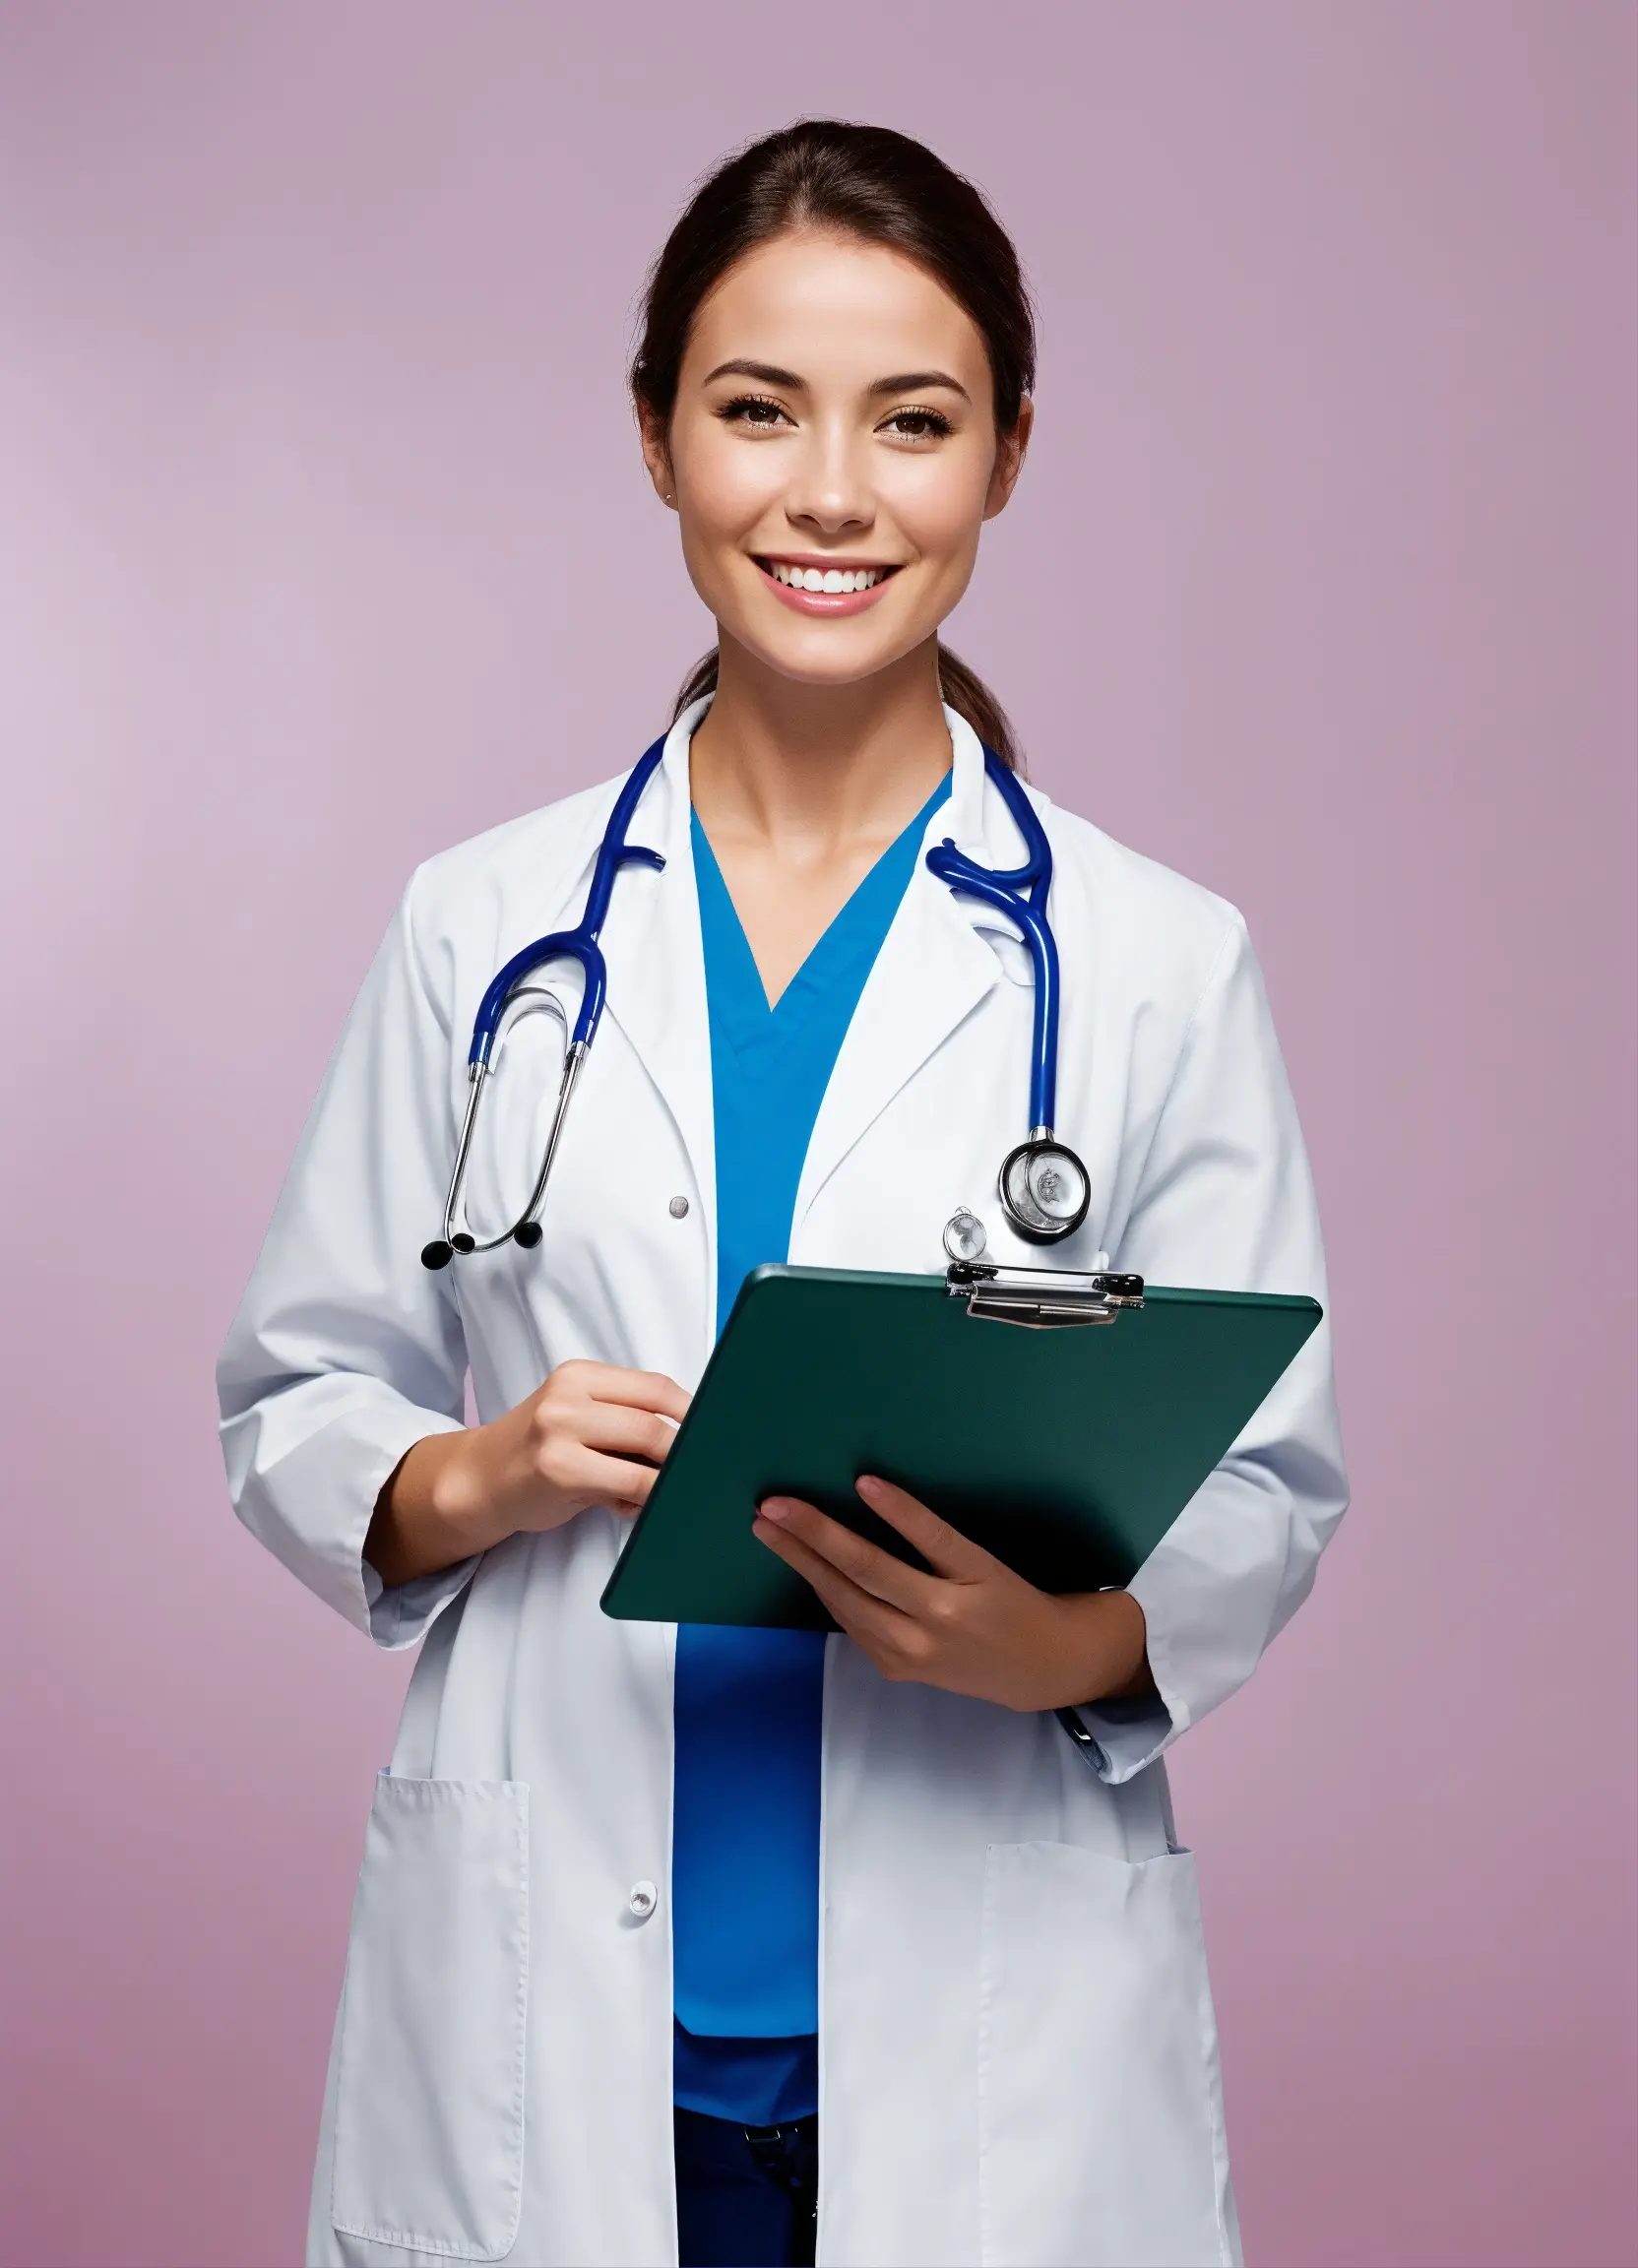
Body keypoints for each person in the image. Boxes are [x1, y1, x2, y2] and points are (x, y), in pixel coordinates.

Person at [218, 119, 1348, 2268]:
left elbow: (1263, 1477)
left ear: (1008, 452)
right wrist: (474, 1474)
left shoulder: (1147, 957)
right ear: (654, 438)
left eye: (911, 422)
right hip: (555, 2054)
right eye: (756, 411)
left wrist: (1076, 1644)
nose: (831, 491)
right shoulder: (486, 925)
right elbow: (297, 1394)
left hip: (992, 2065)